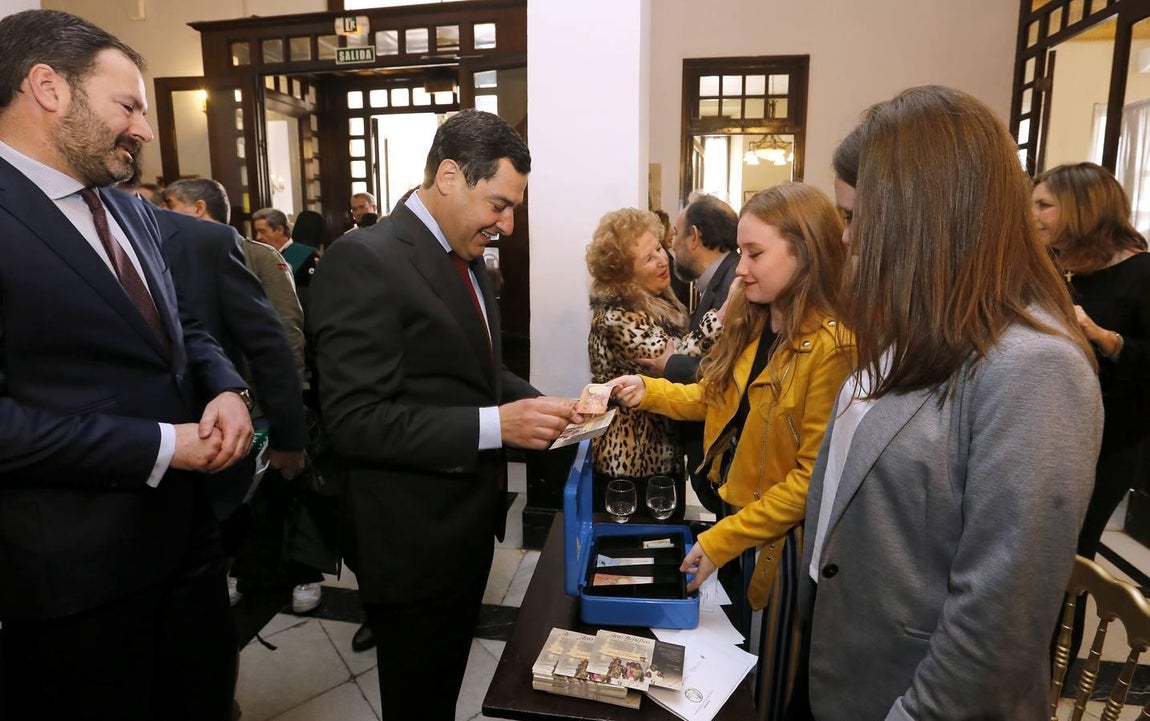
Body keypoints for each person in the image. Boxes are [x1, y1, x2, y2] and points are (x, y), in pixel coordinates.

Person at [794, 85, 1103, 720]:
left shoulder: (1033, 369)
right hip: (845, 672)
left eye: (854, 219)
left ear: (921, 221)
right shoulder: (912, 328)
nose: (845, 240)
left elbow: (997, 626)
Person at [0, 10, 253, 721]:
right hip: (77, 584)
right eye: (129, 105)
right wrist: (167, 445)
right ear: (47, 87)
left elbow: (185, 326)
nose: (144, 128)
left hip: (188, 546)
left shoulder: (131, 211)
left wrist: (226, 385)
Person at [309, 109, 581, 720]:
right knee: (418, 698)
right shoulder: (366, 260)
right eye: (499, 204)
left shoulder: (465, 253)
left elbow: (474, 370)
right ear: (451, 176)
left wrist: (538, 403)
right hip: (410, 535)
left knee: (442, 685)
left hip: (462, 525)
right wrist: (497, 426)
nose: (506, 224)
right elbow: (355, 420)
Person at [611, 183, 853, 721]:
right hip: (736, 518)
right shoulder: (759, 317)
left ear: (805, 250)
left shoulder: (834, 346)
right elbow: (716, 400)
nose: (740, 268)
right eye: (741, 252)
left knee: (764, 683)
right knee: (729, 659)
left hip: (777, 543)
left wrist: (723, 539)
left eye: (755, 254)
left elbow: (809, 481)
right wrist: (646, 390)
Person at [1032, 163, 1150, 665]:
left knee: (1071, 555)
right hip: (1048, 432)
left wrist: (1104, 338)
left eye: (1044, 205)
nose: (1032, 215)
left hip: (1107, 442)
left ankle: (1053, 668)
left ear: (1081, 209)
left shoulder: (1142, 272)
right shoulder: (1056, 266)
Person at [585, 207, 722, 502]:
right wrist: (719, 319)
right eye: (649, 258)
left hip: (661, 449)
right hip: (631, 459)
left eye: (659, 247)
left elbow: (676, 356)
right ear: (624, 274)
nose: (662, 259)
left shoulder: (657, 298)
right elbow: (671, 360)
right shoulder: (617, 315)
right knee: (633, 542)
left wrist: (679, 351)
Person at [640, 195, 740, 514]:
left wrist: (671, 363)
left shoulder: (733, 288)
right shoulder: (716, 283)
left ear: (693, 237)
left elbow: (727, 376)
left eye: (674, 236)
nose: (669, 249)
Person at [253, 207, 318, 289]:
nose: (258, 237)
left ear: (280, 229)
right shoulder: (258, 256)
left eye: (262, 232)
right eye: (257, 232)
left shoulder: (307, 256)